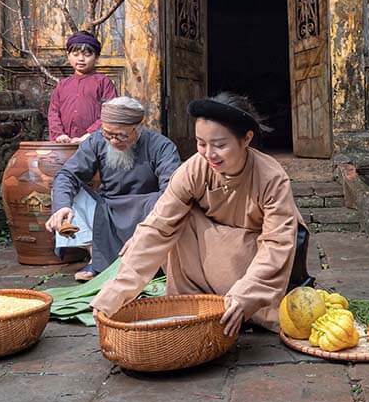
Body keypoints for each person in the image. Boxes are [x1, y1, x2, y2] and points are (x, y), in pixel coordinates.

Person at [91, 93, 313, 336]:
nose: (209, 154)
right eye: (201, 143)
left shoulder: (271, 177)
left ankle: (240, 306)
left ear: (246, 139)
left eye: (219, 145)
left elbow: (276, 243)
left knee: (249, 296)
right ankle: (195, 303)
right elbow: (157, 228)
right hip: (211, 252)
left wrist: (246, 294)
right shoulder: (194, 169)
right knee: (176, 221)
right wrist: (117, 291)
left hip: (254, 259)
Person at [45, 97, 181, 281]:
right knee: (65, 193)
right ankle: (96, 258)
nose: (113, 141)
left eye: (121, 135)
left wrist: (151, 223)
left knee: (168, 200)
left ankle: (150, 261)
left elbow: (172, 189)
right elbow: (68, 174)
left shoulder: (162, 146)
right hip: (107, 210)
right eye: (108, 134)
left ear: (139, 127)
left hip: (146, 211)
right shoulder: (97, 141)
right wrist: (62, 207)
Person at [47, 31, 117, 144]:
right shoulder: (63, 84)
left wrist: (90, 135)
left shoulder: (103, 82)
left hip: (95, 142)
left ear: (97, 57)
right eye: (75, 54)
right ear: (68, 55)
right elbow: (53, 112)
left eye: (87, 55)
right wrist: (59, 134)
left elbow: (111, 113)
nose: (81, 59)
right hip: (65, 142)